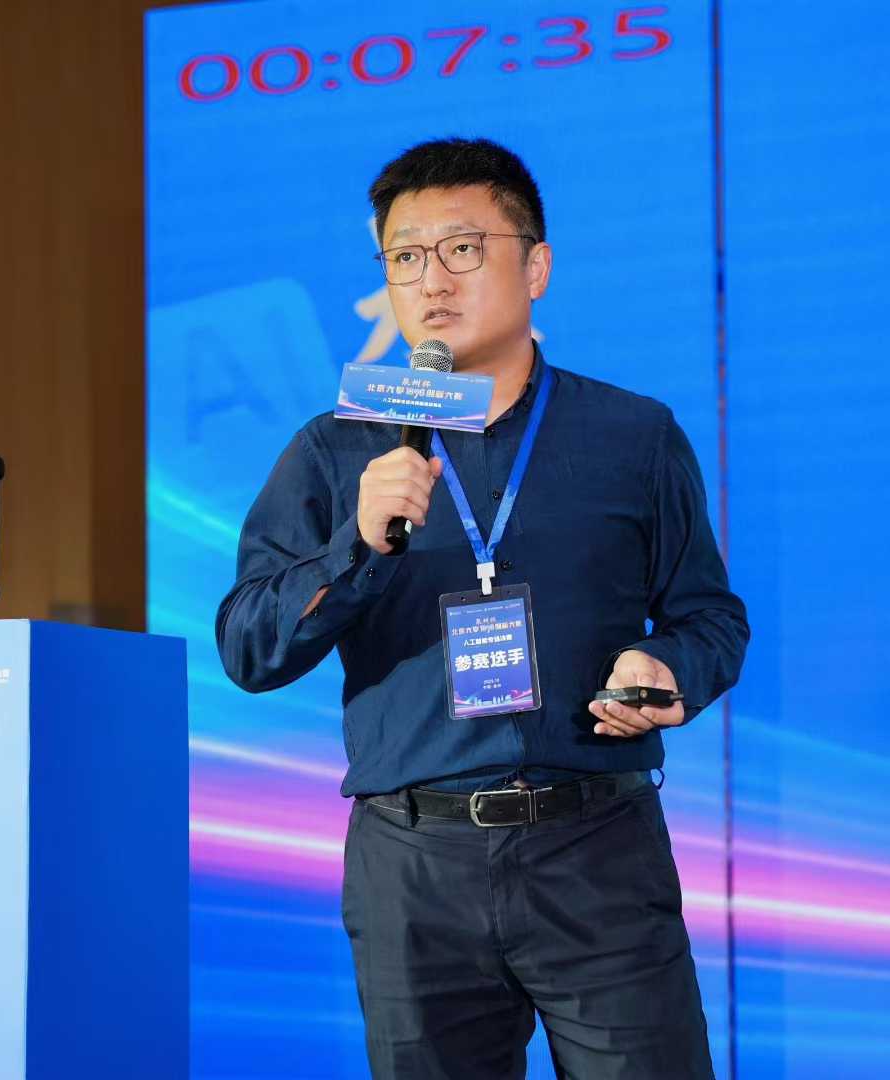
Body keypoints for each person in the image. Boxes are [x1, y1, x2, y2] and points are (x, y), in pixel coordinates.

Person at [216, 137, 749, 1079]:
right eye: (405, 257)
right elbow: (249, 647)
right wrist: (355, 545)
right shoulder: (338, 449)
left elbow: (711, 618)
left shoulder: (632, 436)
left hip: (597, 852)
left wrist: (669, 666)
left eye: (462, 248)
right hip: (413, 866)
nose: (432, 280)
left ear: (535, 267)